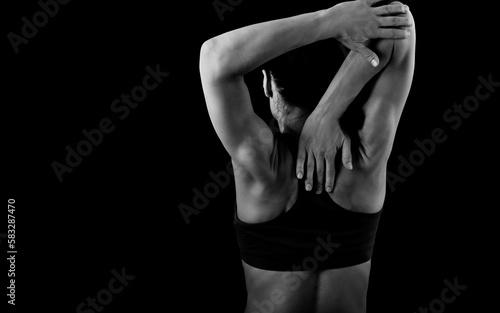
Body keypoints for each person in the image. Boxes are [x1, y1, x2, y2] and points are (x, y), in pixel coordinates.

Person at [199, 0, 415, 312]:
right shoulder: (366, 156)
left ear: (267, 86)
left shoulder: (261, 165)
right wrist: (328, 110)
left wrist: (327, 20)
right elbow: (401, 20)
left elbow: (214, 56)